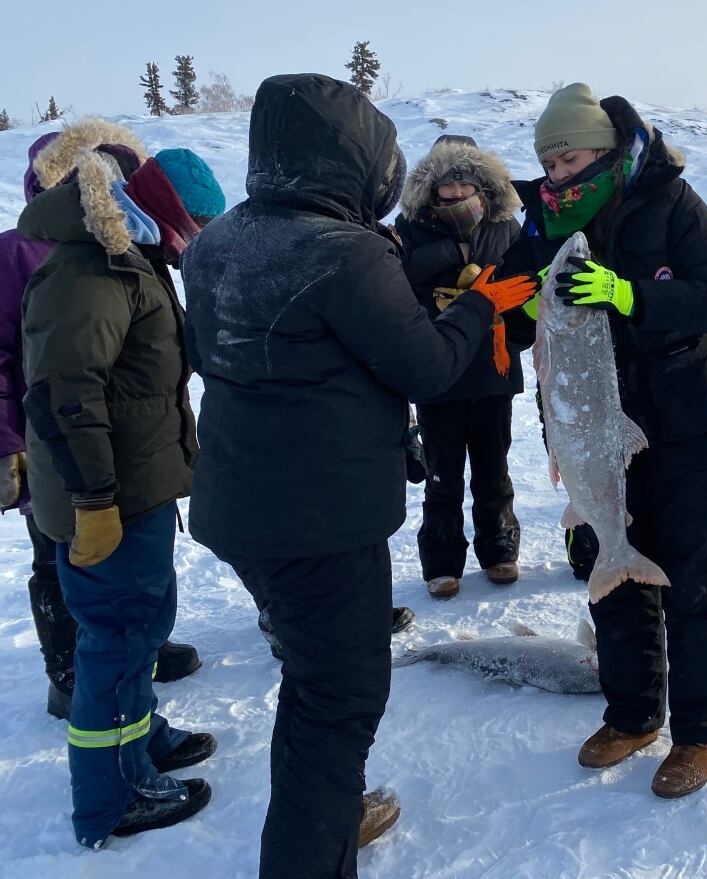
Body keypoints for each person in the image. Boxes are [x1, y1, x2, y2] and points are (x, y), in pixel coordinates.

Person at [180, 73, 537, 878]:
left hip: (241, 508)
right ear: (351, 161)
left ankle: (331, 809)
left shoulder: (216, 242)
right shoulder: (345, 252)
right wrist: (480, 306)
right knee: (337, 701)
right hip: (322, 520)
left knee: (315, 685)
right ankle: (312, 848)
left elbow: (206, 354)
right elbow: (428, 366)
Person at [500, 82, 707, 798]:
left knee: (692, 579)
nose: (555, 177)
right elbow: (509, 313)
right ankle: (634, 713)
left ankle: (702, 730)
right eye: (546, 163)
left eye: (567, 158)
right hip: (587, 434)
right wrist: (519, 296)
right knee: (609, 574)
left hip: (683, 425)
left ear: (603, 154)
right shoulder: (542, 224)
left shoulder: (671, 203)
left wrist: (628, 293)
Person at [18, 121, 224, 848]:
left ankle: (138, 738)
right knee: (115, 637)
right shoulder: (87, 272)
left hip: (136, 486)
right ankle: (110, 794)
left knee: (142, 626)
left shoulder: (124, 259)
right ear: (104, 189)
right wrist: (94, 502)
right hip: (105, 497)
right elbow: (65, 392)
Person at [0, 125, 201, 723]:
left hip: (115, 440)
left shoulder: (123, 242)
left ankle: (142, 655)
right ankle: (69, 671)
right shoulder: (19, 249)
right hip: (51, 439)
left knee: (124, 575)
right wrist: (8, 441)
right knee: (59, 556)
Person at [395, 134, 530, 599]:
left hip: (494, 366)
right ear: (429, 195)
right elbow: (401, 278)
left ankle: (499, 550)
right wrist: (456, 255)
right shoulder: (409, 229)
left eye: (463, 192)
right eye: (444, 194)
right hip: (438, 368)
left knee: (494, 469)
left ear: (484, 189)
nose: (454, 201)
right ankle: (442, 559)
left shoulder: (508, 228)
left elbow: (525, 283)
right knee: (442, 474)